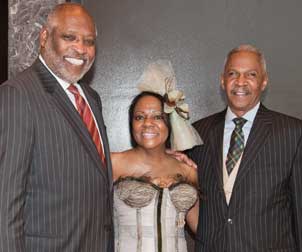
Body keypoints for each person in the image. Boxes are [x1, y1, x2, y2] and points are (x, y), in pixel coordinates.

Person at [0, 3, 114, 251]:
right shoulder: (18, 95)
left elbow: (89, 167)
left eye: (89, 41)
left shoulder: (91, 98)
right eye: (69, 37)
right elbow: (5, 205)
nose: (80, 49)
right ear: (44, 37)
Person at [190, 44, 302, 251]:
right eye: (233, 74)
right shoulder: (198, 133)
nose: (240, 82)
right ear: (222, 81)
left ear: (264, 81)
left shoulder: (292, 133)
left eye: (251, 74)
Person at [111, 60, 202, 252]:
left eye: (157, 117)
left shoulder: (187, 170)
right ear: (131, 124)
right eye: (139, 117)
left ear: (170, 122)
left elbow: (203, 229)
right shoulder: (113, 163)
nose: (148, 123)